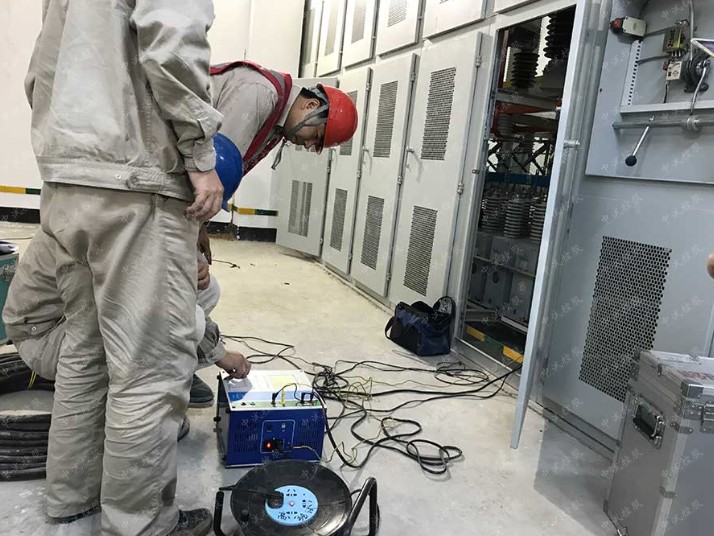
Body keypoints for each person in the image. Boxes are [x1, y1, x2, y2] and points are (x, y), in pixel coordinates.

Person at [21, 1, 224, 534]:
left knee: (86, 353)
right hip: (136, 183)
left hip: (68, 181)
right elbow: (172, 43)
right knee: (148, 370)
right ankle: (141, 524)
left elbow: (40, 69)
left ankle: (71, 496)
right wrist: (200, 158)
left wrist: (66, 154)